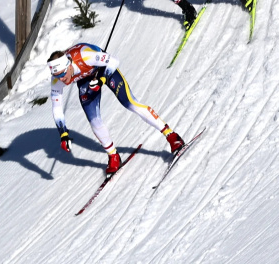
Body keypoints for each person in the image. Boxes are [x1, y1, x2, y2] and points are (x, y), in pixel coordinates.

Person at [47, 44, 184, 176]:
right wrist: (63, 133)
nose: (62, 79)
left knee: (130, 102)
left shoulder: (85, 56)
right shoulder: (57, 79)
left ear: (68, 65)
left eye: (63, 73)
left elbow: (113, 60)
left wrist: (101, 80)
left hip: (105, 69)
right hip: (85, 79)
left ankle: (171, 136)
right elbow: (57, 106)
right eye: (58, 76)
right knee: (94, 120)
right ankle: (113, 156)